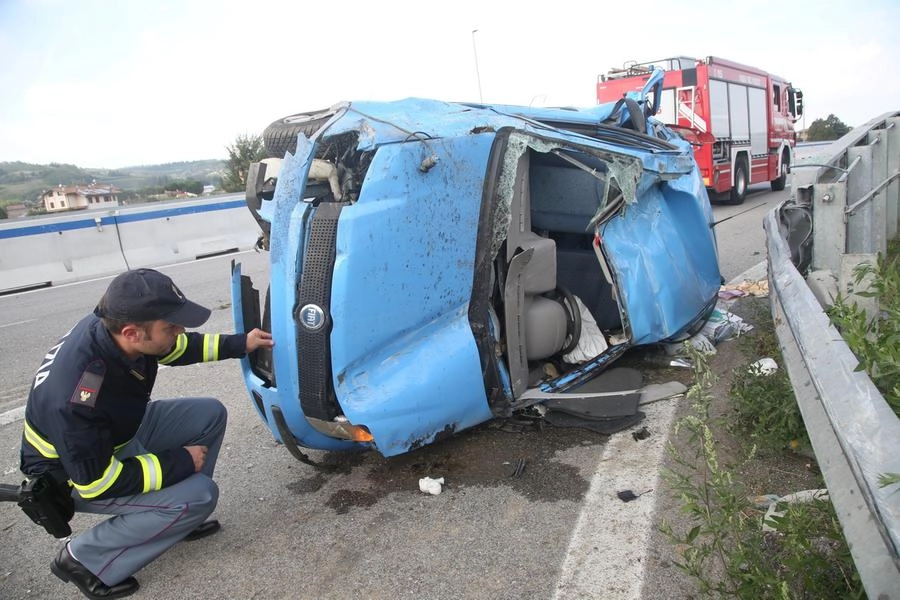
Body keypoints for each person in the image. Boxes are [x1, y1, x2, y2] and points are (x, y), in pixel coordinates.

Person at [19, 268, 274, 600]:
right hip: (75, 472)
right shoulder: (77, 397)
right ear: (133, 333)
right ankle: (84, 559)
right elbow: (97, 483)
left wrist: (241, 343)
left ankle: (178, 518)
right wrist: (181, 461)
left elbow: (175, 348)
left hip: (114, 433)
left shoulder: (116, 329)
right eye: (170, 326)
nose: (179, 330)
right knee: (201, 495)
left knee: (208, 414)